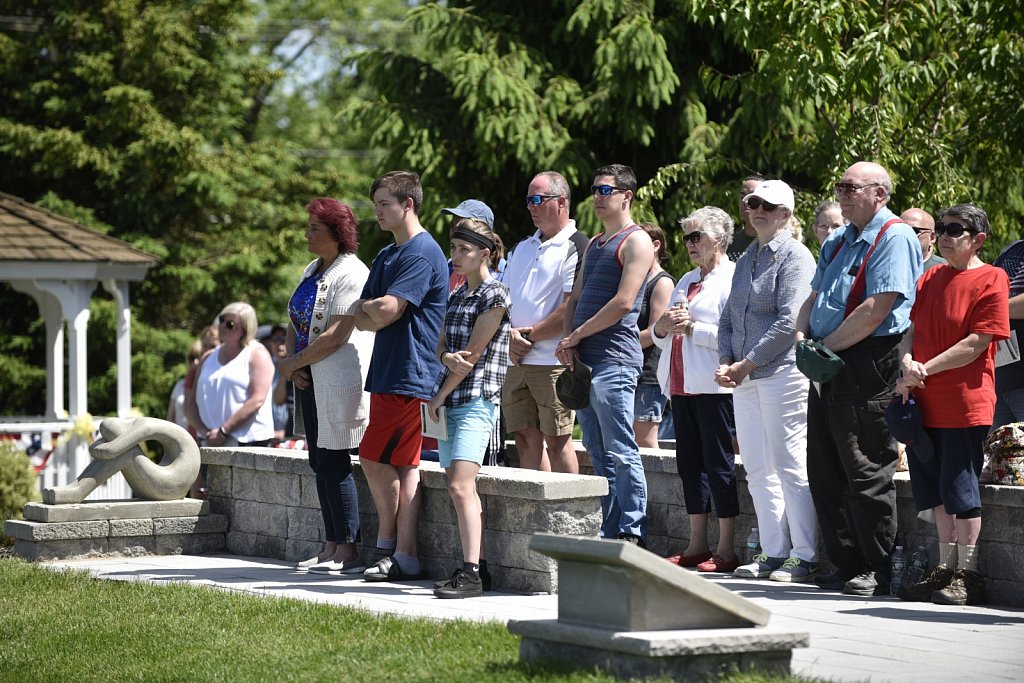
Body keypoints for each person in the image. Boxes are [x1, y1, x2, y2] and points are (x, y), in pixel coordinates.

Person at [795, 161, 922, 596]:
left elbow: (878, 308)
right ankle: (845, 564)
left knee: (865, 466)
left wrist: (825, 345)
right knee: (825, 466)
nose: (843, 193)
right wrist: (801, 336)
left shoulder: (895, 236)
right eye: (840, 186)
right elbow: (813, 297)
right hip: (827, 358)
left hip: (866, 359)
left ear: (879, 194)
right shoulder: (837, 238)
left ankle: (878, 568)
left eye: (853, 187)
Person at [895, 203, 1008, 605]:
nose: (943, 234)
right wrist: (907, 363)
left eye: (954, 229)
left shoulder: (993, 278)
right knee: (933, 491)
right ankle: (945, 568)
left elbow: (978, 342)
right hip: (922, 402)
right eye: (940, 228)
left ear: (978, 238)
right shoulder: (931, 276)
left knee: (960, 490)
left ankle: (968, 573)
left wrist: (924, 368)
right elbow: (911, 329)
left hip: (964, 403)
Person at [716, 180, 819, 582]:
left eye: (768, 205)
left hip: (780, 375)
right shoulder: (745, 259)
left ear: (786, 215)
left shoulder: (796, 257)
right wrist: (727, 359)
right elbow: (728, 317)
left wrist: (745, 363)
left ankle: (805, 554)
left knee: (791, 465)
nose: (758, 209)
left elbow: (789, 321)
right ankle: (774, 552)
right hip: (744, 377)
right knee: (757, 468)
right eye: (753, 203)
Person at [353, 170, 448, 583]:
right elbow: (361, 315)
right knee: (397, 463)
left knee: (379, 458)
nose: (376, 212)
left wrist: (373, 308)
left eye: (384, 204)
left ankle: (392, 548)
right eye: (375, 204)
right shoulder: (386, 255)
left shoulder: (421, 252)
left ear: (408, 204)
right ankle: (399, 553)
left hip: (413, 374)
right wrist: (373, 308)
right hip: (389, 373)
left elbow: (386, 311)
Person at [556, 163, 655, 544]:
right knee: (597, 449)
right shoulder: (596, 243)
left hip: (614, 360)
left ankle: (633, 529)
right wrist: (569, 341)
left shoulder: (637, 241)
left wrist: (577, 334)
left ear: (626, 196)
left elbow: (624, 302)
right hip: (584, 362)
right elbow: (575, 299)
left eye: (605, 191)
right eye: (595, 189)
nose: (597, 197)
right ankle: (611, 527)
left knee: (621, 448)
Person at [278, 198, 373, 574]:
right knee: (318, 460)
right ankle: (330, 543)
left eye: (315, 228)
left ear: (337, 233)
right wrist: (291, 365)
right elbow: (295, 320)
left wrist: (293, 364)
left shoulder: (352, 273)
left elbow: (337, 333)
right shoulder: (311, 268)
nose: (307, 234)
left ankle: (347, 549)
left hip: (336, 378)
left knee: (334, 459)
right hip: (307, 375)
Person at [427, 218, 511, 598]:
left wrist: (440, 394)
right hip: (452, 401)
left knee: (462, 486)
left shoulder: (495, 295)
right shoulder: (458, 295)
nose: (455, 256)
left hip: (475, 401)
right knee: (456, 486)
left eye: (464, 250)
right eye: (454, 249)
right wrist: (445, 357)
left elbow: (472, 357)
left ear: (485, 254)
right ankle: (474, 568)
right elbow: (442, 347)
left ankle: (473, 573)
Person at [652, 207, 739, 571]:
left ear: (719, 238)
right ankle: (697, 544)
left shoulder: (732, 278)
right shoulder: (686, 278)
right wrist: (662, 326)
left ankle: (727, 548)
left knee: (719, 466)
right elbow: (661, 338)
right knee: (690, 467)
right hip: (680, 385)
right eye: (686, 237)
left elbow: (735, 338)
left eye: (696, 236)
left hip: (714, 387)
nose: (689, 244)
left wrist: (692, 331)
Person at [503, 171, 589, 474]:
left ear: (561, 201)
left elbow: (571, 306)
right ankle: (536, 512)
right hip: (516, 361)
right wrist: (510, 336)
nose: (531, 206)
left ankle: (569, 513)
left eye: (537, 199)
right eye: (528, 200)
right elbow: (504, 300)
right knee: (525, 439)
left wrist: (529, 338)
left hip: (553, 361)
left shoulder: (578, 245)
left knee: (557, 441)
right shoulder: (521, 248)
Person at [186, 302, 276, 448]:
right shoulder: (207, 357)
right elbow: (191, 403)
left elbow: (257, 400)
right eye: (222, 320)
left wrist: (223, 431)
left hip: (248, 442)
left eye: (230, 324)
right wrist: (207, 433)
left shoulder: (257, 354)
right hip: (209, 442)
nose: (222, 327)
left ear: (246, 329)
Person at [634, 222, 675, 449]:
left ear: (656, 246)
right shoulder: (633, 281)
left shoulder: (662, 283)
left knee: (644, 441)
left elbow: (656, 331)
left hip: (649, 374)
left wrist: (618, 345)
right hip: (629, 369)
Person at [259, 323, 290, 441]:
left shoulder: (301, 367)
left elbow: (279, 399)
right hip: (270, 434)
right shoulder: (266, 366)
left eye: (284, 339)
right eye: (276, 339)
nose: (279, 344)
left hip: (293, 435)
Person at [726, 174, 764, 262]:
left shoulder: (774, 243)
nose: (745, 201)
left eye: (753, 197)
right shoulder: (729, 242)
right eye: (742, 196)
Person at [167, 339, 203, 432]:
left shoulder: (207, 385)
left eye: (199, 357)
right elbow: (170, 417)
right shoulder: (180, 384)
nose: (195, 362)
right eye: (192, 357)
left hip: (201, 438)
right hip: (180, 439)